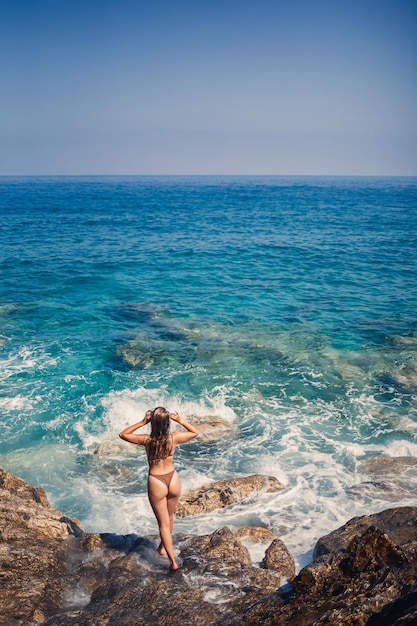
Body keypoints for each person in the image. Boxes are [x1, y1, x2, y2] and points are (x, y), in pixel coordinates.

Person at [119, 407, 199, 570]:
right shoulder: (173, 438)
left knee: (163, 523)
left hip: (157, 481)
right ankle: (163, 547)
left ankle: (173, 562)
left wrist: (143, 422)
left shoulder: (147, 440)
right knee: (169, 517)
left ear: (153, 423)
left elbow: (123, 434)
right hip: (173, 478)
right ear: (167, 423)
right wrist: (181, 420)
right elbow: (195, 432)